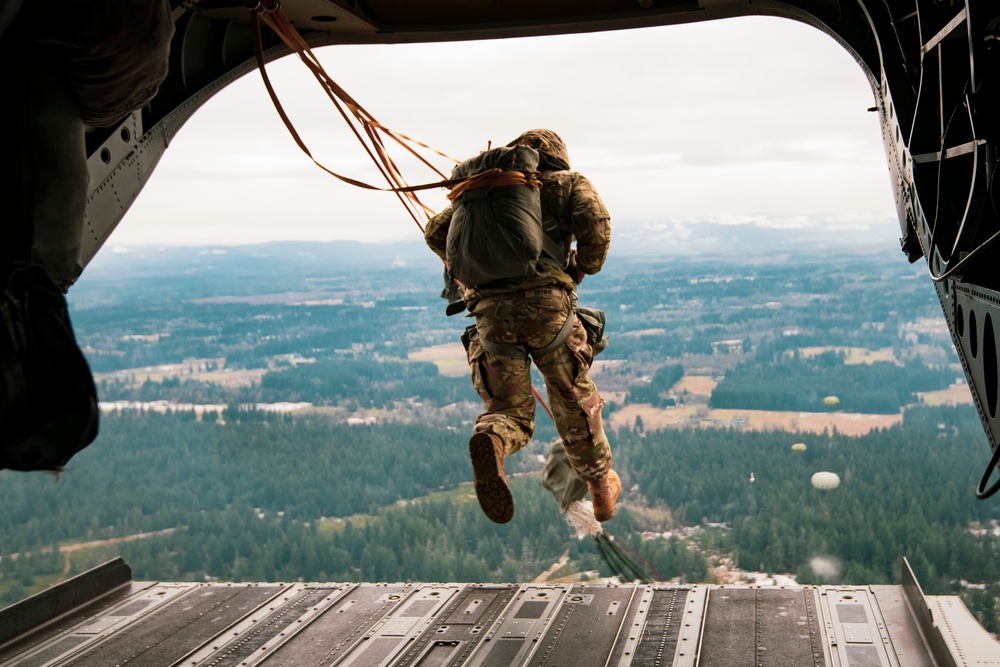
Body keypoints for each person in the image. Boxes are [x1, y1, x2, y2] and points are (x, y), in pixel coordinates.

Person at [424, 128, 620, 524]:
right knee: (572, 399)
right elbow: (595, 230)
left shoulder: (486, 190)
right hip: (549, 312)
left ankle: (493, 439)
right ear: (558, 157)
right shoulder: (567, 184)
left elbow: (435, 232)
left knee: (508, 409)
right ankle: (600, 488)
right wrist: (581, 267)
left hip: (491, 317)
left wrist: (480, 274)